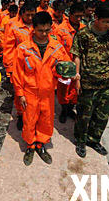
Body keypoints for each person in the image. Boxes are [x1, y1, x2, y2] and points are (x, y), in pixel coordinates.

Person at [13, 12, 70, 165]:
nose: (44, 34)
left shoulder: (57, 47)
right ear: (33, 28)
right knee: (29, 120)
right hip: (29, 93)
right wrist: (20, 94)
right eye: (40, 30)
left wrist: (69, 76)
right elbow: (17, 73)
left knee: (46, 120)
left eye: (47, 30)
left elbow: (65, 67)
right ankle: (30, 145)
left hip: (48, 93)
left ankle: (41, 144)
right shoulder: (23, 48)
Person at [71, 1, 109, 158]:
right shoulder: (84, 34)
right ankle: (81, 141)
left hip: (107, 83)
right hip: (88, 82)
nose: (108, 25)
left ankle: (94, 140)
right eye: (105, 21)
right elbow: (77, 56)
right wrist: (77, 78)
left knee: (102, 115)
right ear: (96, 17)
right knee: (84, 115)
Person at [3, 0, 36, 130]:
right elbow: (9, 49)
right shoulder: (14, 27)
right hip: (19, 67)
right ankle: (21, 115)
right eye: (27, 15)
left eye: (33, 15)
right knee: (19, 94)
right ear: (22, 13)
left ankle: (33, 115)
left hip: (35, 67)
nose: (30, 18)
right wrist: (10, 68)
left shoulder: (38, 26)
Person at [53, 2, 85, 123]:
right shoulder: (60, 30)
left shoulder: (84, 29)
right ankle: (63, 110)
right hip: (65, 66)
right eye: (76, 16)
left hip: (79, 66)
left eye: (81, 16)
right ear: (69, 14)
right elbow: (57, 49)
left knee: (75, 91)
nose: (79, 19)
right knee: (63, 90)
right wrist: (68, 65)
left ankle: (70, 109)